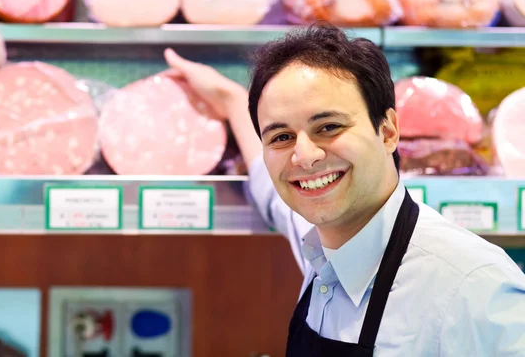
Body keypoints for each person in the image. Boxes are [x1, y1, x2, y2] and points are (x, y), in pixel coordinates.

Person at [163, 23, 525, 356]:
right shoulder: (324, 244)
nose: (303, 156)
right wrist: (227, 99)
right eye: (282, 136)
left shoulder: (476, 290)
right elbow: (269, 184)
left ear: (387, 132)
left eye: (329, 127)